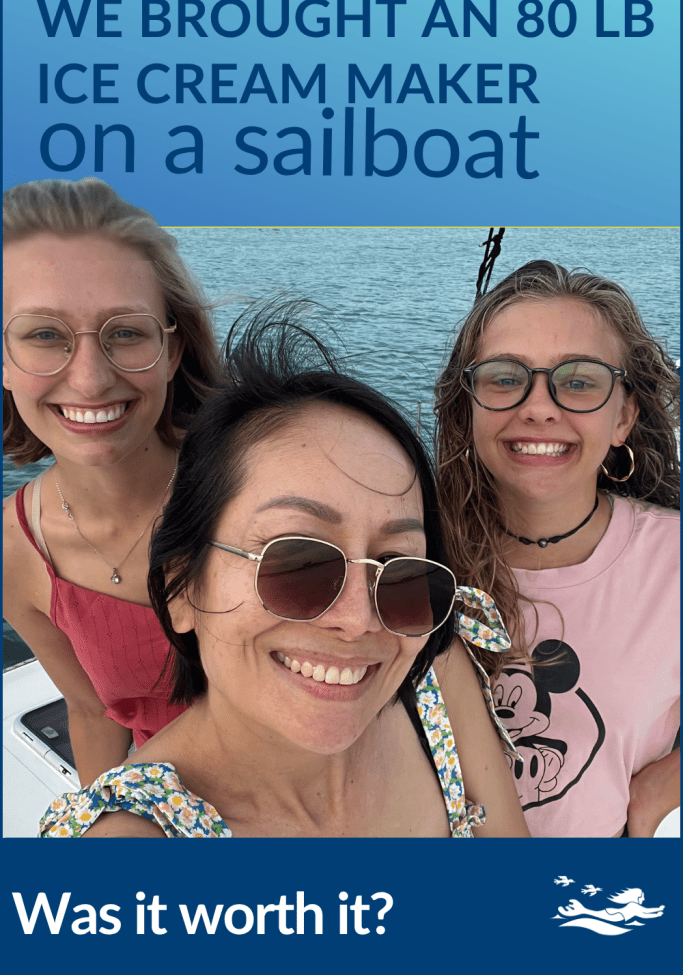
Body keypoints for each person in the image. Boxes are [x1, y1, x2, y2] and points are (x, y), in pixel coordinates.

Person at [40, 307, 529, 837]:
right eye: (296, 563)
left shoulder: (433, 674)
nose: (360, 620)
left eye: (400, 573)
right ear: (182, 588)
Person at [435, 260, 680, 837]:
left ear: (624, 415)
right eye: (504, 377)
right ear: (467, 404)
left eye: (578, 380)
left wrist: (667, 785)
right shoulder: (412, 560)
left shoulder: (672, 561)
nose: (539, 406)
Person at [3, 177, 220, 786]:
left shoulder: (253, 475)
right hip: (177, 810)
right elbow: (94, 713)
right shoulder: (18, 550)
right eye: (45, 334)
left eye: (125, 331)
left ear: (172, 350)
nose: (92, 380)